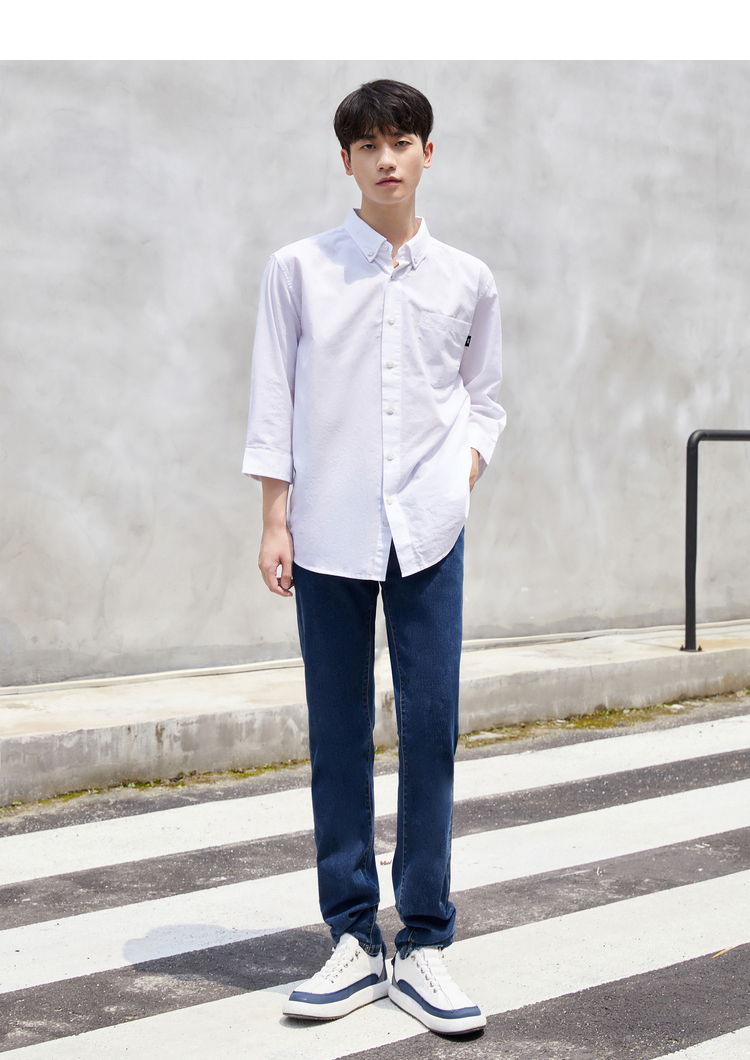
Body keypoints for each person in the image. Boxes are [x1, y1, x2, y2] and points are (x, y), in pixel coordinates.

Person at [242, 78, 505, 1036]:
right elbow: (274, 398)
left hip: (429, 533)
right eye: (367, 146)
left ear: (428, 153)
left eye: (401, 142)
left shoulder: (467, 278)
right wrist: (275, 520)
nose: (385, 159)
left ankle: (425, 938)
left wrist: (460, 475)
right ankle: (352, 936)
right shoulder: (298, 269)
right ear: (346, 160)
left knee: (432, 731)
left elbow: (485, 396)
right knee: (339, 734)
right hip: (329, 533)